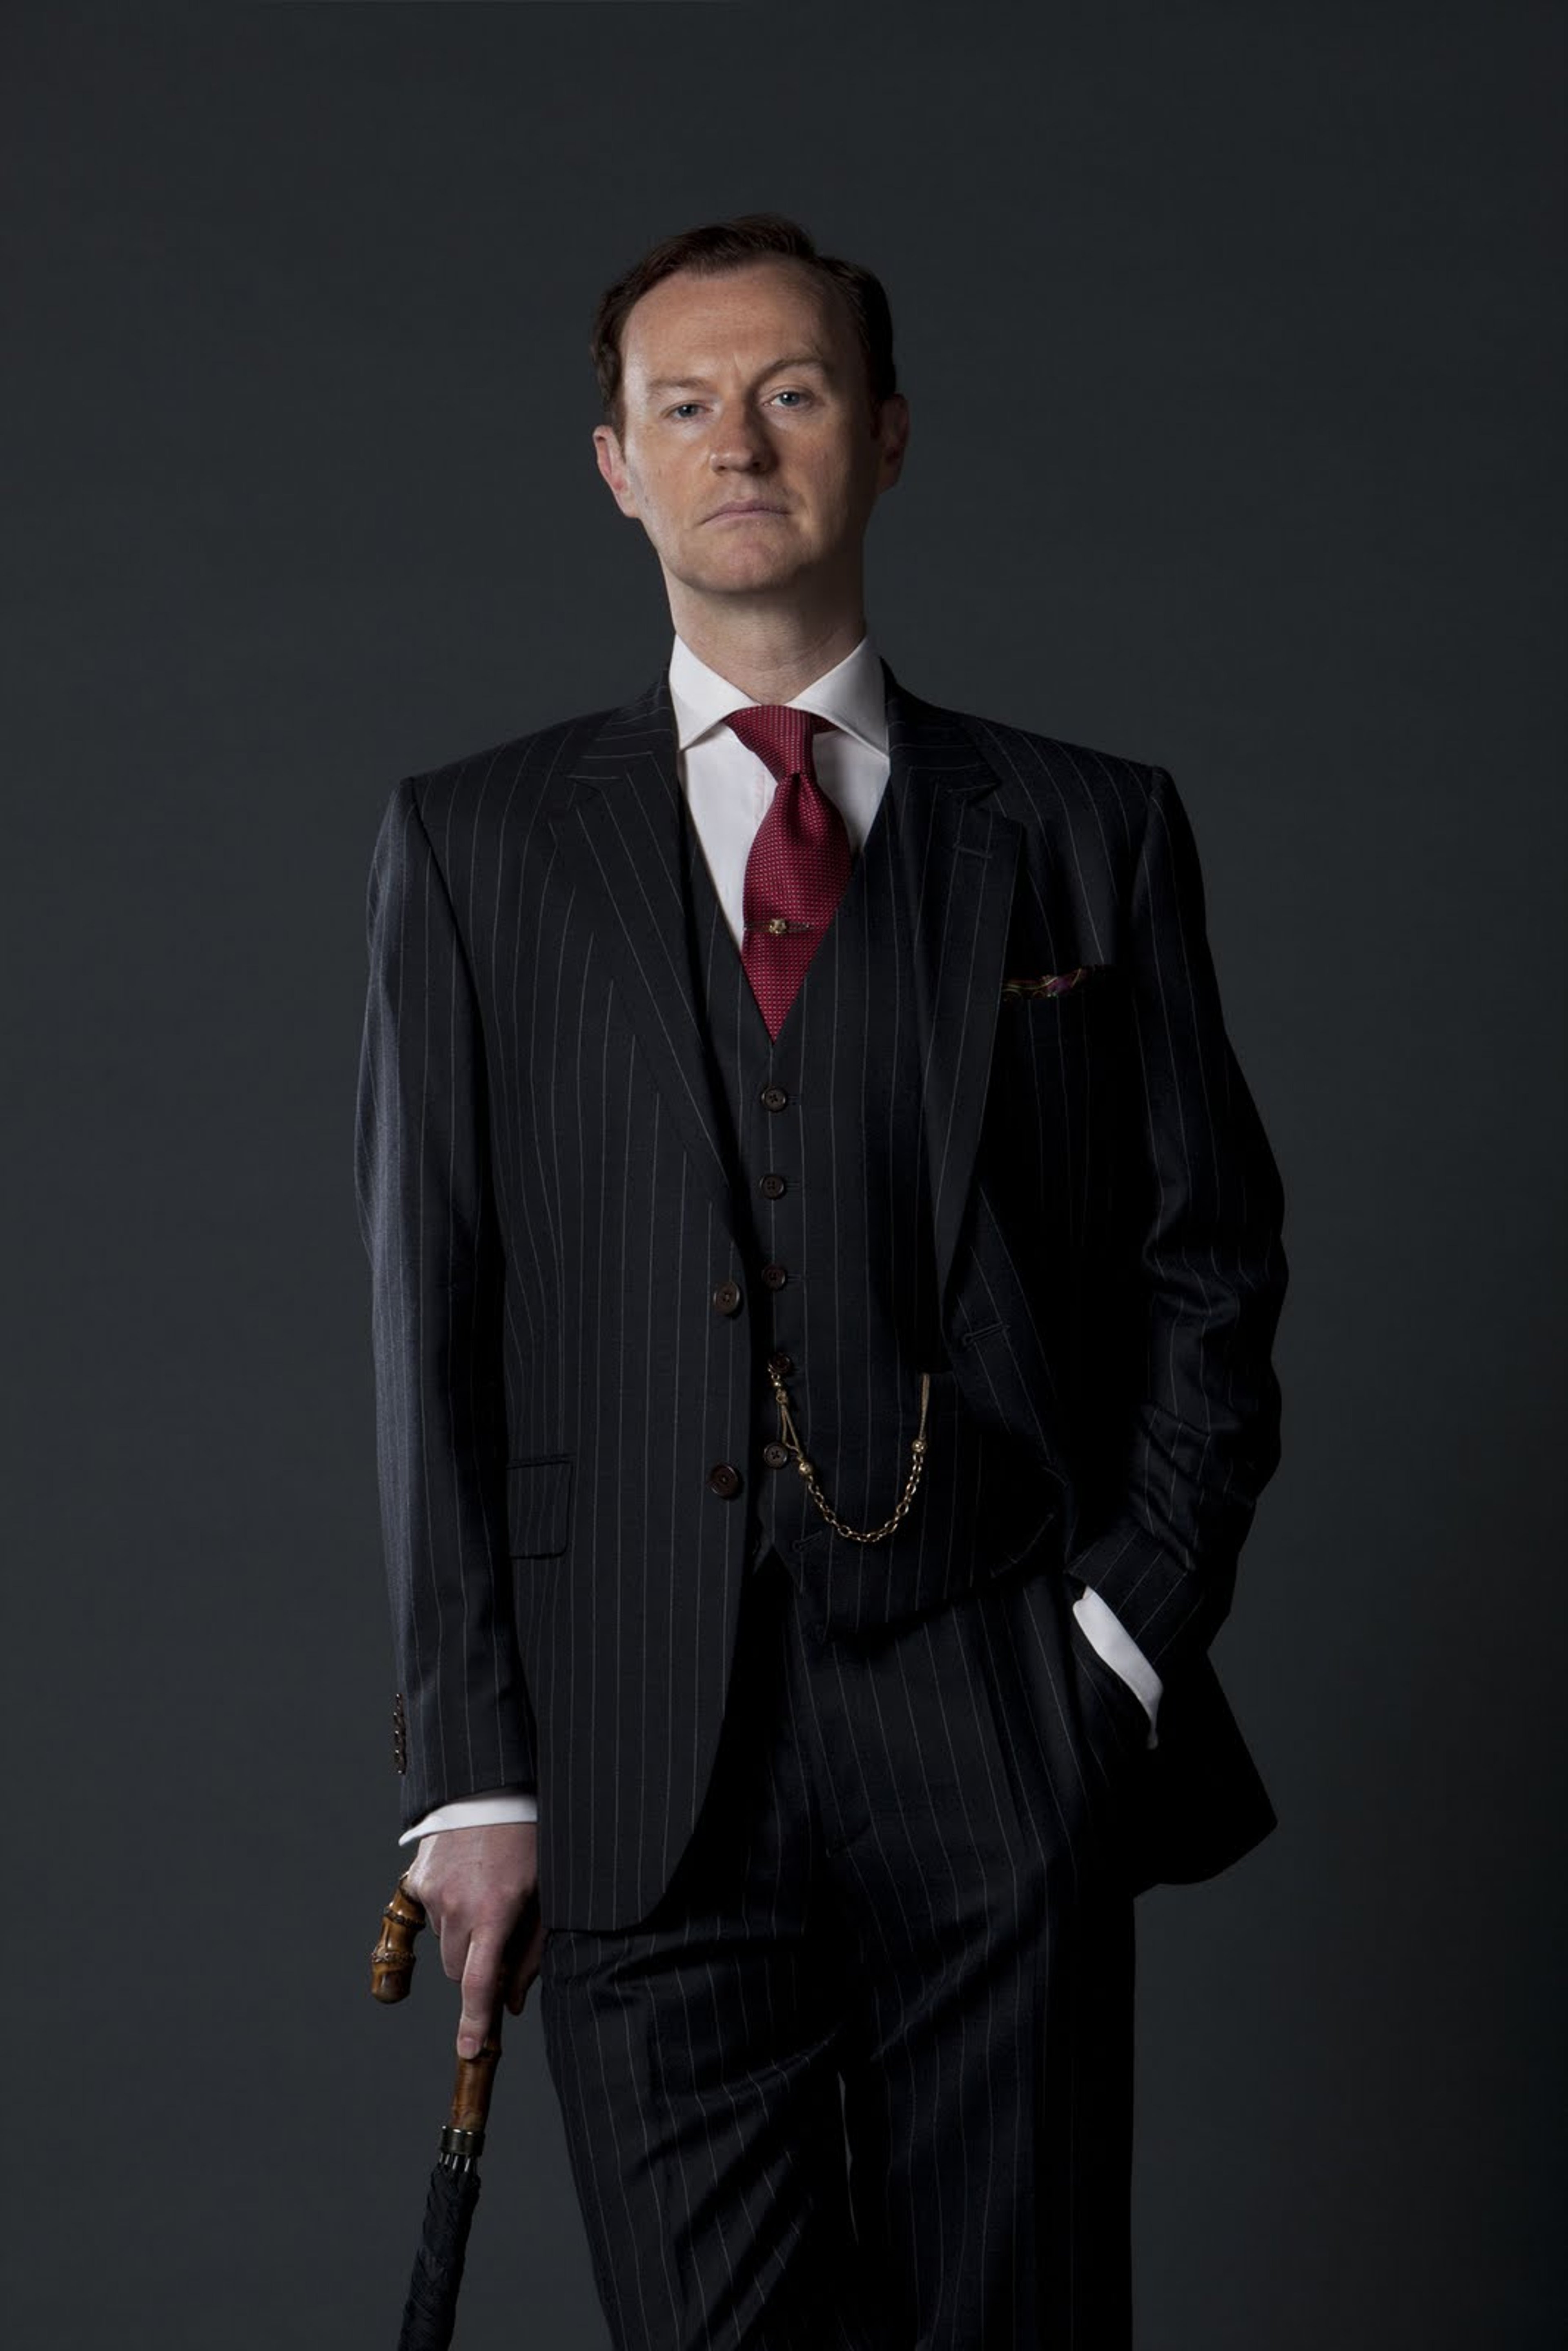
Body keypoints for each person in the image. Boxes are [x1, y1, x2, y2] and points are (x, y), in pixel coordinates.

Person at [354, 210, 1288, 2350]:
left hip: (998, 1710)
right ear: (616, 463)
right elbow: (439, 1322)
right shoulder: (476, 848)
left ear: (882, 436)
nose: (739, 444)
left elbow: (1209, 1265)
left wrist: (1119, 1648)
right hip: (627, 1757)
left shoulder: (1083, 831)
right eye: (685, 406)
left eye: (788, 395)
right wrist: (472, 1775)